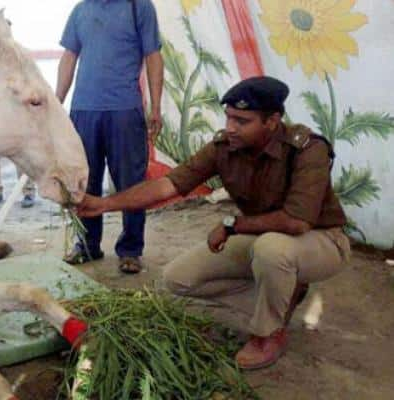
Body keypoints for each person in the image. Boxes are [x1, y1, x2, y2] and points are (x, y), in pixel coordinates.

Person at [76, 76, 351, 369]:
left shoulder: (307, 149)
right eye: (229, 117)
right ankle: (284, 294)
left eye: (242, 120)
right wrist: (105, 204)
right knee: (178, 278)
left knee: (273, 250)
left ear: (272, 122)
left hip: (321, 241)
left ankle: (268, 334)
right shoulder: (225, 145)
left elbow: (297, 222)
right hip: (265, 237)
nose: (230, 127)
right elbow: (168, 185)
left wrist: (233, 225)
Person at [56, 0, 164, 273]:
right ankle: (88, 245)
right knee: (84, 181)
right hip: (83, 109)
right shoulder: (81, 10)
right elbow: (69, 56)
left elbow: (153, 56)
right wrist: (57, 101)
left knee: (130, 181)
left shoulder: (138, 7)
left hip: (125, 110)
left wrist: (156, 105)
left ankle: (130, 249)